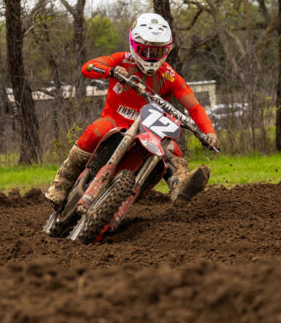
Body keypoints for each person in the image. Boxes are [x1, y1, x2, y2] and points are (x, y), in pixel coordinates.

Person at [45, 12, 219, 209]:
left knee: (172, 149)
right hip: (115, 122)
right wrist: (110, 71)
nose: (151, 57)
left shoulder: (169, 76)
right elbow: (88, 67)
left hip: (149, 129)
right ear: (134, 45)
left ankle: (179, 183)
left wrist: (209, 132)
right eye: (146, 50)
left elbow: (194, 107)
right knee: (96, 130)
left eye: (157, 52)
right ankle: (63, 180)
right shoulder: (121, 60)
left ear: (167, 50)